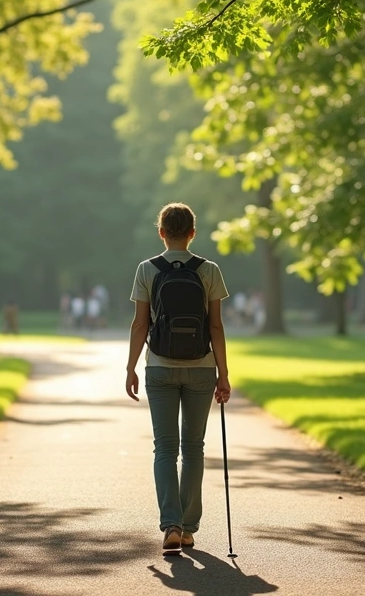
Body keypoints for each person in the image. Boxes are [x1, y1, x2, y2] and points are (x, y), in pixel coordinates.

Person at [125, 202, 232, 555]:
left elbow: (141, 324)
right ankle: (188, 528)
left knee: (165, 448)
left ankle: (170, 524)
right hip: (202, 368)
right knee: (194, 448)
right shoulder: (209, 269)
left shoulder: (147, 269)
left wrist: (130, 368)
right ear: (192, 233)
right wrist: (224, 374)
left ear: (161, 232)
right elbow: (215, 325)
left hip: (159, 367)